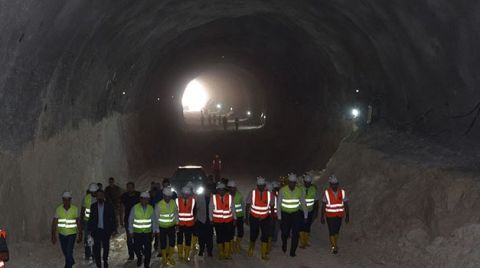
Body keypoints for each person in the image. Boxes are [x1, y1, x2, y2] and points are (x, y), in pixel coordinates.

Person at [277, 174, 308, 257]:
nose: (292, 184)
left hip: (295, 215)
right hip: (285, 215)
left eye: (294, 183)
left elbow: (303, 203)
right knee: (285, 233)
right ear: (288, 182)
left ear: (295, 183)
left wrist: (305, 215)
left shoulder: (299, 191)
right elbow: (279, 204)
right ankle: (284, 243)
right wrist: (279, 217)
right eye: (291, 182)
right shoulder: (282, 190)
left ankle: (292, 251)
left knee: (295, 234)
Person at [51, 191, 82, 268]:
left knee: (68, 251)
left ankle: (68, 266)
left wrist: (80, 233)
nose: (66, 201)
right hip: (62, 234)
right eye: (65, 199)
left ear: (70, 200)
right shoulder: (58, 209)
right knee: (65, 251)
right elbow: (55, 222)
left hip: (72, 234)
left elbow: (78, 222)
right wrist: (53, 235)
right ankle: (71, 261)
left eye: (68, 199)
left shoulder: (75, 209)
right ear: (62, 200)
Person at [320, 175, 349, 254]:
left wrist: (347, 216)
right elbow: (323, 206)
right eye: (333, 184)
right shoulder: (327, 193)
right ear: (330, 184)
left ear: (338, 184)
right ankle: (334, 247)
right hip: (330, 216)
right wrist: (322, 217)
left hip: (339, 216)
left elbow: (346, 204)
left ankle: (335, 244)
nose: (334, 185)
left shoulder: (342, 192)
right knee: (332, 231)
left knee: (336, 232)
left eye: (336, 184)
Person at [246, 177, 273, 260]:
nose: (261, 187)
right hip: (254, 217)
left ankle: (263, 253)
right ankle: (251, 247)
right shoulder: (252, 193)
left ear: (265, 185)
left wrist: (271, 217)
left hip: (265, 218)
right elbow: (247, 205)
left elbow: (271, 206)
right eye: (259, 185)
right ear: (257, 185)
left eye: (262, 185)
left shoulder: (269, 194)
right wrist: (246, 217)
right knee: (254, 233)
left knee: (265, 235)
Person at [88, 189, 117, 268]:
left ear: (103, 196)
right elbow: (91, 219)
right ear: (96, 197)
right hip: (96, 230)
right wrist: (90, 230)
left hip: (106, 230)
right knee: (96, 248)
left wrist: (114, 229)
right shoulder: (93, 206)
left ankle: (105, 260)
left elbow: (113, 218)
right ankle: (98, 264)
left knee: (106, 247)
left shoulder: (109, 205)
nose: (100, 197)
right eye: (98, 196)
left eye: (101, 195)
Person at [128, 191, 155, 268]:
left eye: (147, 199)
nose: (145, 201)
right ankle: (139, 257)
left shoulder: (151, 208)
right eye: (143, 199)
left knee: (148, 250)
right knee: (136, 248)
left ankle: (146, 264)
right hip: (137, 233)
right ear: (140, 199)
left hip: (147, 233)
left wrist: (154, 230)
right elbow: (130, 220)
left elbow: (154, 220)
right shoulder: (135, 208)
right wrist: (131, 231)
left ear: (148, 200)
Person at [209, 182, 236, 260]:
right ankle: (221, 253)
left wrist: (235, 218)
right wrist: (211, 219)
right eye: (219, 190)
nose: (221, 191)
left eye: (222, 190)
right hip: (218, 221)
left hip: (228, 220)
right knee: (220, 237)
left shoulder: (230, 197)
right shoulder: (213, 198)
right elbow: (210, 209)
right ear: (217, 190)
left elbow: (233, 208)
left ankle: (227, 253)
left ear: (225, 190)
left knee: (227, 237)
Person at [154, 187, 178, 266]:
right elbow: (156, 219)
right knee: (163, 243)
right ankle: (164, 258)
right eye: (166, 196)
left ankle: (170, 257)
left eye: (169, 196)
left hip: (171, 226)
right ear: (163, 196)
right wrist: (157, 230)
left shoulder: (173, 203)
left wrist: (177, 223)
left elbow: (176, 213)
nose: (167, 198)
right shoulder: (159, 205)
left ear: (171, 196)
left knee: (172, 242)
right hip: (162, 227)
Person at [120, 182, 140, 261]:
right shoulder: (124, 196)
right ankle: (131, 254)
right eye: (128, 187)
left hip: (138, 219)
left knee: (137, 237)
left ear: (134, 187)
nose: (129, 189)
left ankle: (138, 252)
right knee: (129, 238)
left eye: (131, 187)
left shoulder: (138, 195)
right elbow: (121, 208)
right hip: (128, 220)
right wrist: (121, 219)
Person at [299, 175, 320, 249]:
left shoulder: (313, 189)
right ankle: (302, 242)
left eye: (309, 182)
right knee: (301, 226)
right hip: (301, 210)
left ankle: (306, 240)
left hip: (310, 211)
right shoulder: (300, 189)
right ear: (304, 182)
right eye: (306, 182)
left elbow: (316, 201)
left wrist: (316, 212)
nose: (307, 184)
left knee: (307, 226)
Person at [176, 186, 196, 262]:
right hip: (180, 224)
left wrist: (194, 221)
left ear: (189, 194)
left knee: (188, 240)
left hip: (189, 224)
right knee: (179, 240)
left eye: (187, 194)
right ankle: (180, 255)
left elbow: (195, 211)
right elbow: (176, 213)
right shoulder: (177, 201)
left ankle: (187, 255)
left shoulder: (193, 201)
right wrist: (177, 224)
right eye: (184, 193)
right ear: (182, 193)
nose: (186, 195)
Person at [81, 183, 98, 262]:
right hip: (87, 221)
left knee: (96, 238)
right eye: (92, 192)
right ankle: (87, 254)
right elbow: (83, 210)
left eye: (94, 192)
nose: (93, 193)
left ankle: (95, 254)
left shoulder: (100, 198)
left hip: (97, 222)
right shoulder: (86, 198)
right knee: (87, 239)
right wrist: (81, 221)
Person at [195, 183, 213, 257]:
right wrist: (195, 218)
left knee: (209, 237)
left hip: (210, 221)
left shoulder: (214, 198)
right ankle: (201, 250)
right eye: (206, 190)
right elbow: (196, 208)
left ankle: (209, 251)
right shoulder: (199, 197)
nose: (208, 192)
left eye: (209, 190)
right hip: (201, 220)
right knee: (201, 237)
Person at [227, 180, 244, 253]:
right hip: (230, 217)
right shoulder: (226, 196)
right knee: (231, 232)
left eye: (233, 188)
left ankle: (238, 243)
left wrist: (244, 216)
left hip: (239, 216)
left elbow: (242, 206)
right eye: (231, 188)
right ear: (229, 188)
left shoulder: (239, 195)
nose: (232, 189)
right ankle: (232, 244)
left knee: (240, 232)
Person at [267, 181, 281, 253]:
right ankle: (270, 240)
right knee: (271, 228)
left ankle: (273, 240)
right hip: (270, 215)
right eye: (275, 188)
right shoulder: (271, 195)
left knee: (275, 228)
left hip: (275, 214)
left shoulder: (277, 195)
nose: (276, 189)